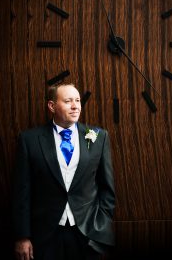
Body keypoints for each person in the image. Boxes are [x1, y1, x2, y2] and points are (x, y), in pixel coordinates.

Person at [12, 83, 115, 260]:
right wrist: (22, 236)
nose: (75, 106)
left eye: (77, 100)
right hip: (45, 235)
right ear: (52, 106)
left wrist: (100, 224)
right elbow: (21, 192)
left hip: (87, 234)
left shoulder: (99, 137)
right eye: (68, 101)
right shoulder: (29, 140)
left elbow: (107, 188)